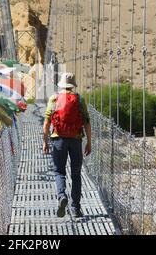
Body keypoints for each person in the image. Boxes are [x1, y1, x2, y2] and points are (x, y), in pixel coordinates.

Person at [43, 72, 92, 218]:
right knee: (76, 174)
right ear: (73, 85)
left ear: (61, 85)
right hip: (76, 140)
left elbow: (46, 123)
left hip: (59, 140)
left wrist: (45, 141)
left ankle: (61, 196)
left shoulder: (54, 98)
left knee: (59, 171)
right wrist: (89, 142)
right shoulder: (79, 99)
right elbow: (87, 122)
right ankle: (76, 209)